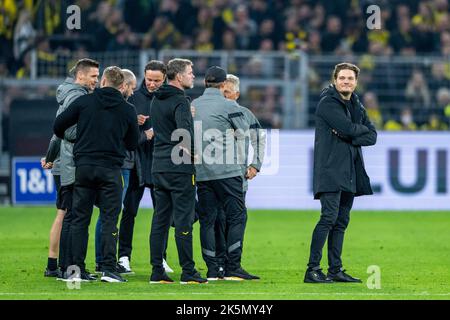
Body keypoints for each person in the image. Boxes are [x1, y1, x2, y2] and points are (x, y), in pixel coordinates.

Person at [54, 66, 139, 283]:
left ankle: (75, 271)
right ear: (122, 86)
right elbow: (132, 143)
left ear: (102, 81)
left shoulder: (85, 102)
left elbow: (58, 126)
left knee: (80, 219)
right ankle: (108, 269)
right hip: (111, 169)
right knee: (110, 218)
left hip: (84, 167)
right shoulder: (127, 109)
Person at [304, 62, 377, 283]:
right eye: (342, 78)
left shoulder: (355, 104)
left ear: (356, 82)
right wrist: (352, 131)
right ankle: (312, 269)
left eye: (350, 79)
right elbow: (348, 128)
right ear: (335, 80)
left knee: (341, 221)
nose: (346, 81)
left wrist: (350, 133)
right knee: (328, 218)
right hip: (330, 170)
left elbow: (371, 136)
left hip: (349, 172)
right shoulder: (328, 103)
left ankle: (335, 270)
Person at [192, 66, 258, 281]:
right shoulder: (229, 106)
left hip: (202, 172)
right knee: (238, 215)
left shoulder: (193, 105)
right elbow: (244, 134)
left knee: (208, 220)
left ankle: (212, 269)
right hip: (227, 171)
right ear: (222, 85)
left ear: (205, 83)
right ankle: (233, 267)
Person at [149, 58, 207, 284]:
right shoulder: (181, 101)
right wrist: (193, 153)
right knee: (184, 219)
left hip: (159, 166)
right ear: (179, 76)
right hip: (179, 167)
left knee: (160, 220)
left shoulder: (156, 99)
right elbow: (183, 133)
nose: (193, 76)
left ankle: (157, 271)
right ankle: (189, 271)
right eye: (190, 72)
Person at [42, 58, 99, 278]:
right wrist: (93, 133)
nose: (96, 81)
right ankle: (72, 268)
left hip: (65, 162)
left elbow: (58, 131)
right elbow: (69, 132)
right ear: (81, 75)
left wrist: (50, 156)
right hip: (73, 163)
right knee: (75, 218)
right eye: (93, 76)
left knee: (67, 216)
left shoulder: (69, 94)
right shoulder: (77, 96)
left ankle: (64, 267)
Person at [117, 61, 173, 274]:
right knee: (129, 211)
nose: (151, 84)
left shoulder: (170, 98)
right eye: (149, 79)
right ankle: (123, 257)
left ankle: (161, 258)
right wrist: (135, 122)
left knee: (162, 214)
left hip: (161, 163)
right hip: (136, 164)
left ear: (165, 78)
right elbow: (121, 130)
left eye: (156, 80)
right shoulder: (132, 98)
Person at [212, 73, 266, 279]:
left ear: (236, 94)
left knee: (232, 218)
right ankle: (219, 264)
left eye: (227, 93)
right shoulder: (212, 113)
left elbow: (259, 140)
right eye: (221, 92)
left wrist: (255, 165)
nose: (223, 96)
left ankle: (231, 264)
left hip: (237, 177)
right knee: (217, 219)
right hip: (214, 175)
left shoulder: (245, 114)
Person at [94, 68, 137, 273]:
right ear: (124, 85)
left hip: (116, 165)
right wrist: (143, 132)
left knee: (107, 214)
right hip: (118, 166)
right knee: (109, 214)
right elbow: (131, 142)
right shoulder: (123, 108)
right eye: (132, 87)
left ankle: (103, 259)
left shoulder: (105, 105)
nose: (133, 92)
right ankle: (103, 260)